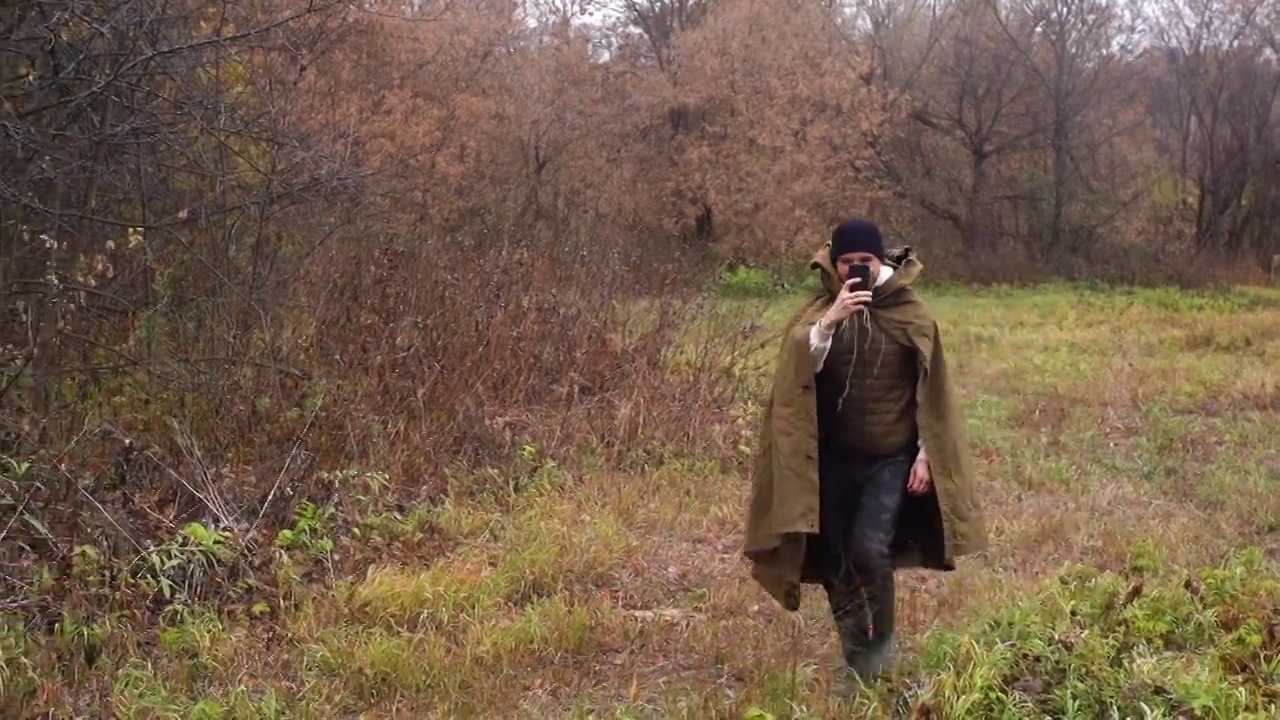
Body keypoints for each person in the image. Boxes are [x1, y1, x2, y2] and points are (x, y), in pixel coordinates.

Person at [742, 217, 987, 689]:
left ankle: (881, 648)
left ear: (882, 261)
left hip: (890, 459)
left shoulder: (910, 313)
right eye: (847, 263)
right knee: (834, 557)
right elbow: (798, 372)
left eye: (866, 263)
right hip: (831, 459)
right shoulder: (820, 312)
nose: (857, 270)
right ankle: (856, 660)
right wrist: (830, 322)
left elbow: (931, 393)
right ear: (835, 263)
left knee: (869, 549)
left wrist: (924, 454)